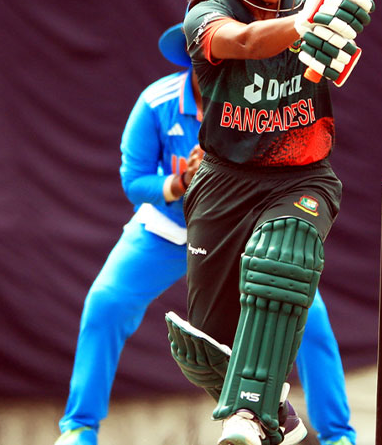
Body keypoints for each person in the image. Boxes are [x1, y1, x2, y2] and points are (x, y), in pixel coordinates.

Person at [55, 23, 358, 445]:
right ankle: (79, 428)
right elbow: (134, 180)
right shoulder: (157, 102)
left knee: (307, 315)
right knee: (106, 302)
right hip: (168, 232)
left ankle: (338, 436)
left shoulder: (264, 99)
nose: (223, 65)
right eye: (212, 56)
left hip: (241, 234)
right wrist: (181, 182)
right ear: (194, 58)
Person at [162, 0, 373, 445]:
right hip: (225, 180)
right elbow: (246, 41)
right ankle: (279, 416)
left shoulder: (312, 5)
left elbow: (337, 63)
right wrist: (305, 24)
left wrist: (337, 28)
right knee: (205, 350)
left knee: (283, 257)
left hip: (302, 176)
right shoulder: (207, 16)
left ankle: (248, 412)